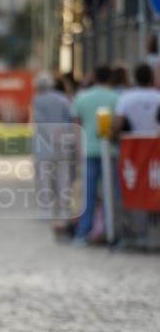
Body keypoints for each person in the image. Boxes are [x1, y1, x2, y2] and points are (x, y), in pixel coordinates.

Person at [71, 65, 120, 243]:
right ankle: (109, 229)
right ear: (110, 78)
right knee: (111, 192)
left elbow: (76, 126)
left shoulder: (82, 98)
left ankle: (84, 231)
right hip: (111, 151)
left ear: (94, 78)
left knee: (88, 194)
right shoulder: (116, 97)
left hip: (88, 150)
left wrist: (78, 151)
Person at [31, 73, 74, 235]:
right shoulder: (64, 98)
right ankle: (65, 208)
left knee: (44, 178)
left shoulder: (37, 100)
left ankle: (46, 209)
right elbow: (69, 120)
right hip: (63, 142)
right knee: (64, 177)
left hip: (44, 144)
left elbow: (39, 122)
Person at [114, 63, 160, 137]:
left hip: (132, 143)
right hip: (155, 142)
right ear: (151, 77)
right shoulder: (158, 97)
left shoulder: (126, 97)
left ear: (135, 77)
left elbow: (118, 124)